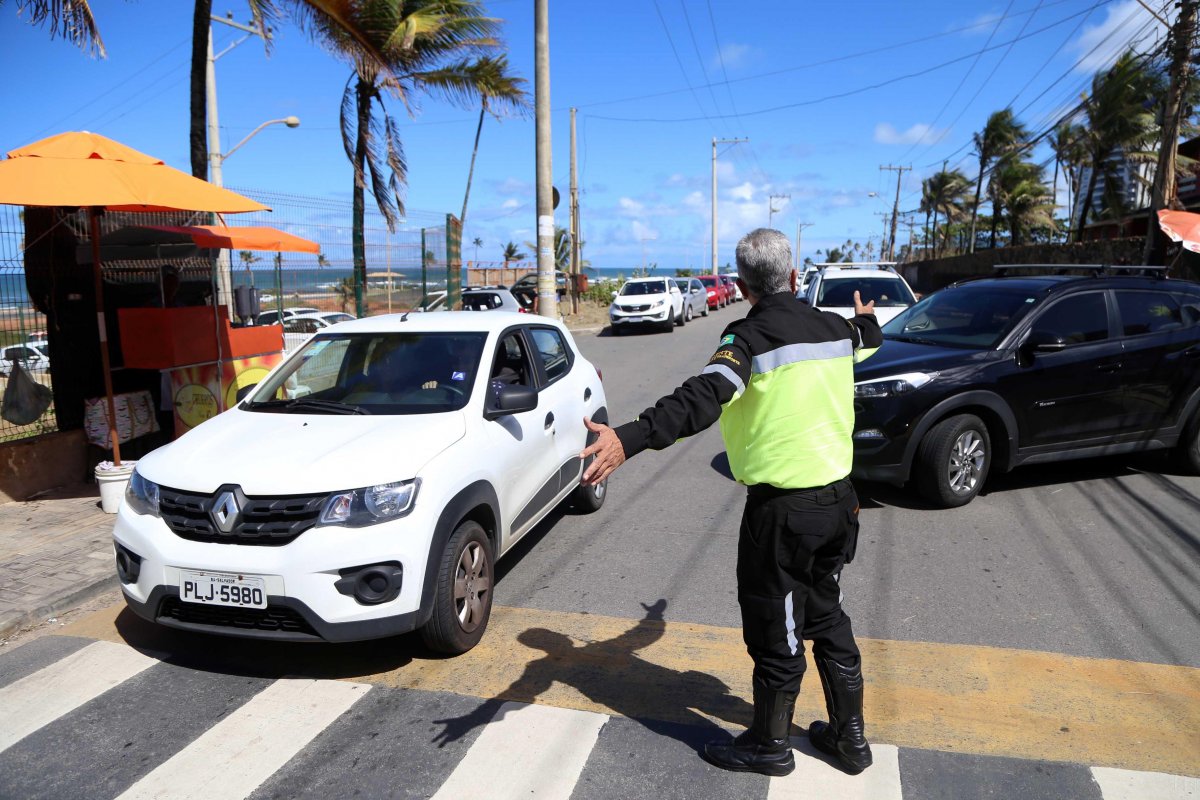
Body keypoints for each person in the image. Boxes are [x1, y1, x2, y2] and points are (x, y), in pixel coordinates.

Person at [579, 228, 883, 777]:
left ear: (743, 287)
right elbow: (868, 336)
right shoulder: (836, 330)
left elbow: (703, 396)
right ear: (795, 277)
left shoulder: (746, 340)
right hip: (840, 505)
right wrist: (867, 316)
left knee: (776, 631)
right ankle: (850, 739)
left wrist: (628, 437)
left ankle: (769, 747)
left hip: (784, 515)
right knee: (826, 615)